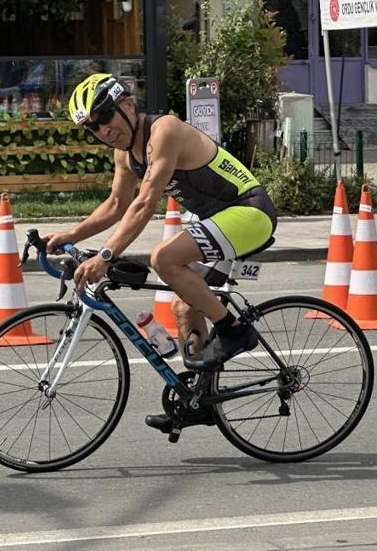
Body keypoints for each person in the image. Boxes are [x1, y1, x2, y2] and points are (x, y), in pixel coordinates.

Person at [44, 73, 278, 431]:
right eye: (92, 127)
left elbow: (145, 202)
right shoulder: (125, 155)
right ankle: (200, 401)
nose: (103, 131)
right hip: (220, 221)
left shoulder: (164, 131)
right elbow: (116, 205)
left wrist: (105, 257)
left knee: (163, 258)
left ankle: (234, 331)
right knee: (184, 305)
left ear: (127, 105)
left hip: (250, 212)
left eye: (105, 117)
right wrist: (72, 234)